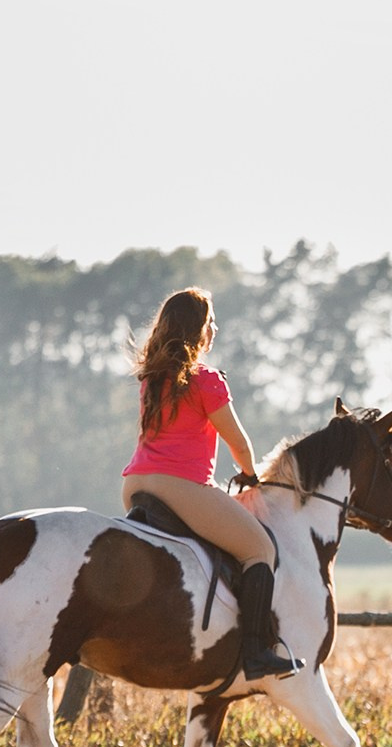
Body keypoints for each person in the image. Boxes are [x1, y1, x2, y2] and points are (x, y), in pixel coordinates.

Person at [121, 288, 299, 679]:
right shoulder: (206, 380)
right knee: (259, 549)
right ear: (198, 331)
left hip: (134, 484)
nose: (215, 329)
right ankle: (256, 654)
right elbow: (238, 442)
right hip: (181, 487)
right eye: (210, 322)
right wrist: (250, 475)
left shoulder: (151, 378)